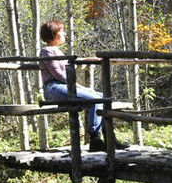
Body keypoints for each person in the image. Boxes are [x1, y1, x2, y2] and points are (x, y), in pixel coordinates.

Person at [39, 20, 127, 152]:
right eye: (61, 31)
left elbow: (71, 63)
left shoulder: (57, 51)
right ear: (54, 34)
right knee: (94, 100)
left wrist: (88, 59)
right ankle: (95, 140)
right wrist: (80, 87)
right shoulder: (46, 52)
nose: (64, 33)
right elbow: (59, 75)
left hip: (65, 86)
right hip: (53, 88)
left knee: (102, 98)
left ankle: (110, 138)